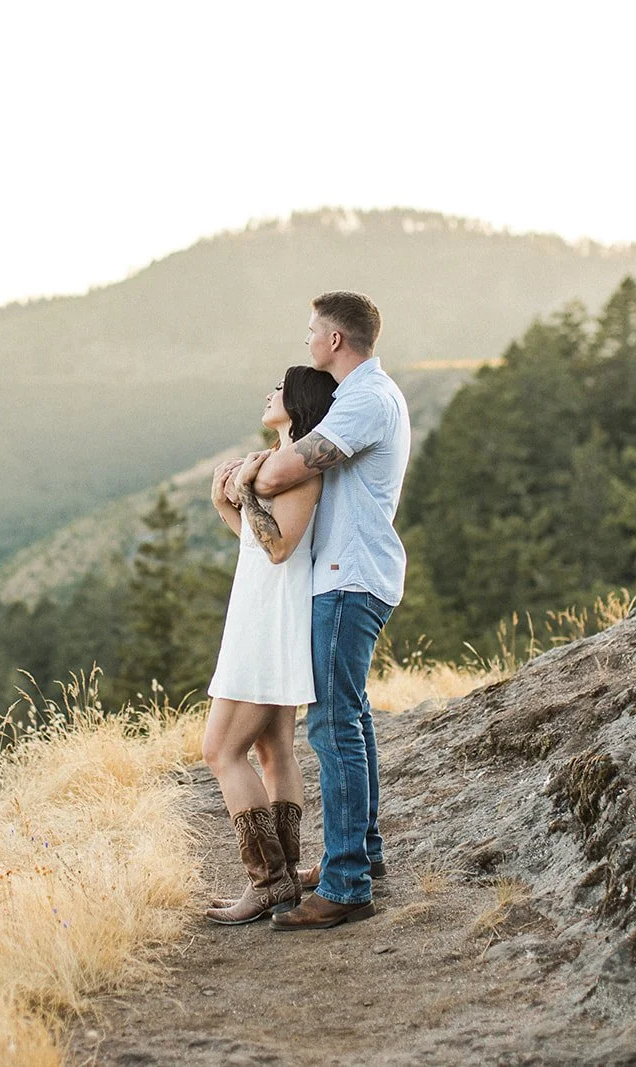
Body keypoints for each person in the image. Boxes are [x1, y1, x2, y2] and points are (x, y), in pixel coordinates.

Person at [232, 290, 411, 931]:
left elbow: (287, 472)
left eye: (312, 331)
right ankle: (358, 857)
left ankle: (345, 885)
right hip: (351, 576)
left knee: (332, 729)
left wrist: (245, 474)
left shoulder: (364, 400)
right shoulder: (367, 396)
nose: (307, 340)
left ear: (336, 340)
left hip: (347, 579)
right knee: (350, 722)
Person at [202, 364, 339, 925]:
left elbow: (279, 548)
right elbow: (260, 546)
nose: (268, 393)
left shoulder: (298, 467)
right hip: (270, 614)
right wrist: (227, 504)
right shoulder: (277, 466)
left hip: (266, 624)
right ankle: (286, 872)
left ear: (299, 403)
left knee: (220, 751)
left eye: (279, 389)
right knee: (271, 750)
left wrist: (245, 489)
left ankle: (267, 881)